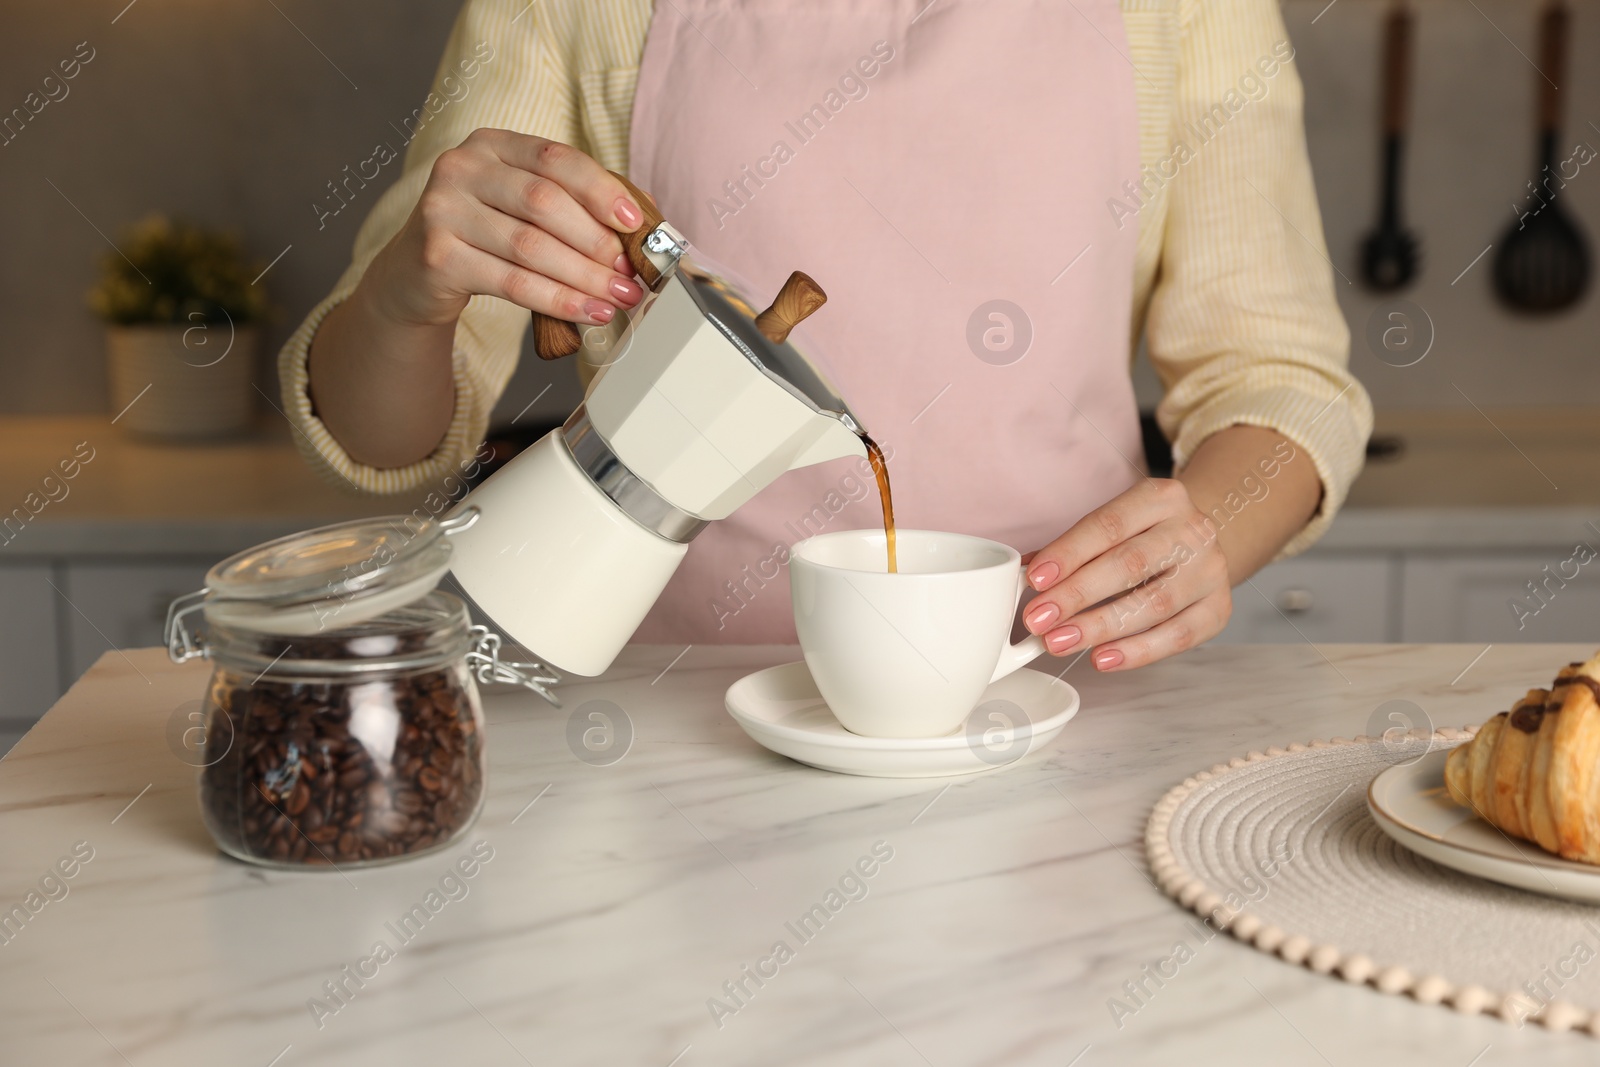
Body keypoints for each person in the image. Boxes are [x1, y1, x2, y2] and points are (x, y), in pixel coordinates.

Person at [282, 0, 1372, 672]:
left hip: (1054, 692)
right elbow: (390, 447)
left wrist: (1209, 532)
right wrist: (401, 298)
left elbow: (1275, 378)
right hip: (667, 709)